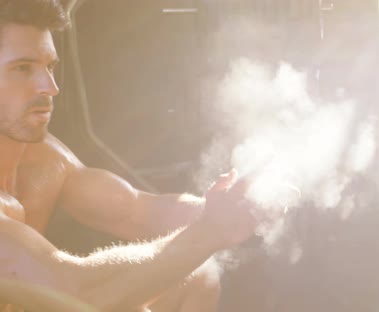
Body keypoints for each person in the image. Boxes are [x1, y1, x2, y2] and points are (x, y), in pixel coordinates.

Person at [0, 0, 259, 311]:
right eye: (22, 68)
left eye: (50, 67)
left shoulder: (44, 161)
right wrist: (210, 230)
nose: (51, 87)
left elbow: (136, 211)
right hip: (63, 292)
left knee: (196, 276)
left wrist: (238, 205)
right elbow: (77, 294)